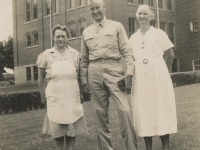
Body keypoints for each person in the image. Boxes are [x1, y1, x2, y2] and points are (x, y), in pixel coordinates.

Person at [80, 0, 138, 150]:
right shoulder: (86, 31)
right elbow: (84, 59)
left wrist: (129, 74)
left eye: (97, 8)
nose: (95, 12)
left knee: (124, 110)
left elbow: (127, 52)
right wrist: (84, 80)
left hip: (114, 69)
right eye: (92, 9)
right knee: (100, 115)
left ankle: (132, 148)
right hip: (94, 71)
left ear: (104, 8)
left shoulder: (116, 26)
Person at [129, 5, 177, 150]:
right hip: (141, 78)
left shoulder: (159, 33)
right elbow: (130, 59)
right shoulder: (133, 37)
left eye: (145, 14)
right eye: (139, 14)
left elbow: (170, 55)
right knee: (144, 109)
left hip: (158, 76)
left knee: (161, 108)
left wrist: (163, 72)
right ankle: (148, 147)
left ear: (151, 16)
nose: (142, 16)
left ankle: (165, 147)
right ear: (137, 17)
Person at [37, 24, 88, 150]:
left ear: (67, 38)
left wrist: (81, 93)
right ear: (53, 38)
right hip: (55, 97)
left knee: (71, 127)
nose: (60, 39)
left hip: (72, 96)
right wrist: (42, 96)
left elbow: (80, 76)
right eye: (58, 36)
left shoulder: (75, 54)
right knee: (57, 127)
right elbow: (40, 77)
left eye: (63, 36)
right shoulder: (47, 55)